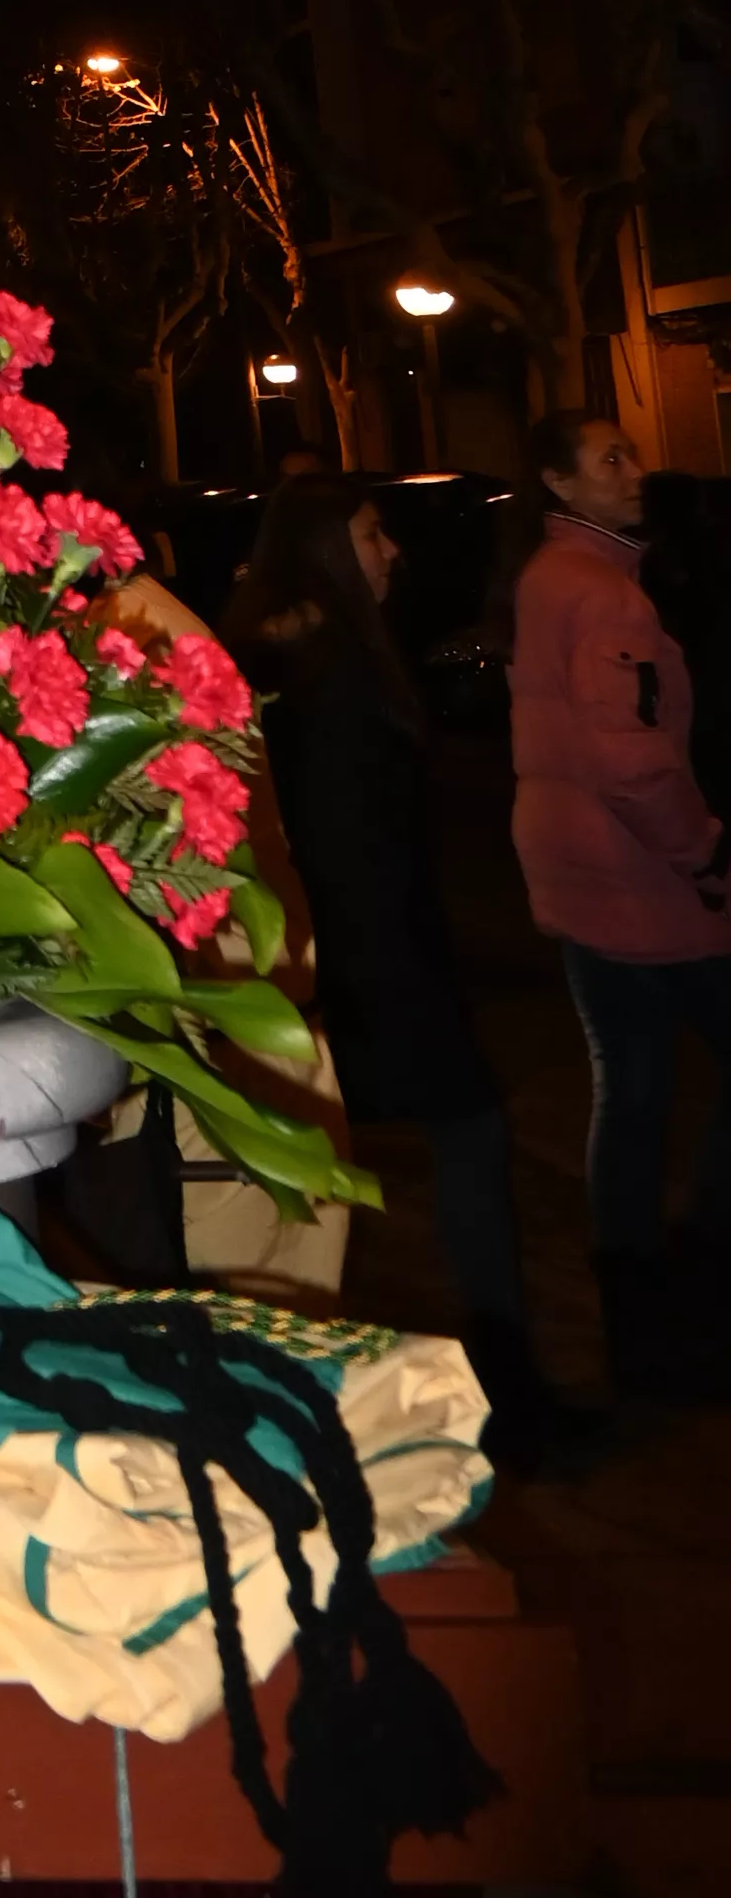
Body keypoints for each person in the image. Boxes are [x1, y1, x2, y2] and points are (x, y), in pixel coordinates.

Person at [230, 475, 564, 1466]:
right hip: (369, 969)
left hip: (345, 967)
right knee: (463, 1141)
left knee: (371, 1178)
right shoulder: (331, 674)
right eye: (374, 533)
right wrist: (386, 982)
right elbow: (347, 848)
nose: (394, 551)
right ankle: (497, 1391)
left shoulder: (300, 655)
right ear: (330, 547)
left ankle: (468, 1387)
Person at [502, 407, 731, 1395]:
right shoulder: (606, 596)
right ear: (559, 484)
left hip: (579, 876)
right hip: (643, 884)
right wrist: (706, 852)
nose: (633, 469)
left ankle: (639, 1308)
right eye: (609, 458)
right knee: (640, 1091)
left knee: (627, 1091)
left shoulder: (549, 580)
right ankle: (688, 1273)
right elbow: (632, 765)